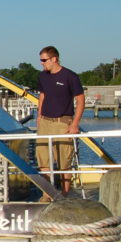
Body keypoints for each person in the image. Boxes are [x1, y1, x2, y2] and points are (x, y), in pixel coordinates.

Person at [36, 45, 85, 198]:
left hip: (63, 121)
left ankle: (64, 195)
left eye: (44, 60)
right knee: (43, 159)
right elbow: (42, 96)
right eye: (41, 60)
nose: (42, 63)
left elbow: (80, 100)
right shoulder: (42, 76)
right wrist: (39, 116)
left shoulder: (70, 76)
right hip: (45, 122)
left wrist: (75, 123)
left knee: (64, 160)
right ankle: (47, 194)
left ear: (54, 59)